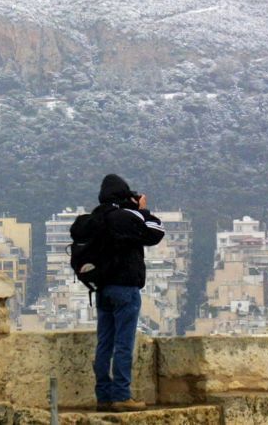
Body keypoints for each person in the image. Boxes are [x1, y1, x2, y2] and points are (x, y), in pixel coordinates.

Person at [72, 173, 165, 413]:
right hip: (125, 288)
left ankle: (103, 395)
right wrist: (142, 210)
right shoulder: (126, 217)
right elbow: (156, 231)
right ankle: (122, 395)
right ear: (124, 196)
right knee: (124, 343)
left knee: (105, 343)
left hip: (101, 289)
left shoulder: (95, 219)